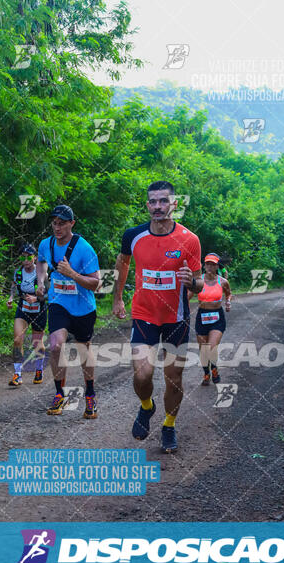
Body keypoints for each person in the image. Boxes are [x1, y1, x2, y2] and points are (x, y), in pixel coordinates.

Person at [113, 181, 203, 453]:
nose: (157, 206)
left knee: (173, 378)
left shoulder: (190, 239)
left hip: (176, 318)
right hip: (144, 315)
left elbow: (199, 284)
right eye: (152, 201)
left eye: (163, 201)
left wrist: (192, 283)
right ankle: (146, 406)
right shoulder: (133, 235)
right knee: (143, 374)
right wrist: (117, 297)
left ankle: (169, 424)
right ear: (147, 205)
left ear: (174, 204)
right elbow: (123, 262)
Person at [36, 205, 101, 418]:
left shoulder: (84, 249)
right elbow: (41, 262)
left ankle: (90, 395)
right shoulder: (46, 244)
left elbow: (96, 284)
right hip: (58, 303)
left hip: (83, 307)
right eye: (54, 223)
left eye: (62, 223)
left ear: (72, 223)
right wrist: (40, 281)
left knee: (84, 349)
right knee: (55, 345)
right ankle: (59, 394)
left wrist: (72, 273)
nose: (57, 227)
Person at [6, 243, 47, 387]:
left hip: (39, 310)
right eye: (23, 257)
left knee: (37, 343)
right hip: (23, 309)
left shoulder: (42, 273)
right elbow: (13, 286)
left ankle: (39, 370)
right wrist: (11, 297)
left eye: (29, 257)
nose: (26, 260)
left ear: (35, 258)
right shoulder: (18, 272)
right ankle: (17, 374)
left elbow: (50, 293)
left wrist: (37, 298)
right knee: (17, 340)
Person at [189, 253, 231, 385]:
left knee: (212, 347)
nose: (210, 266)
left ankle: (214, 370)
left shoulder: (223, 282)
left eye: (213, 264)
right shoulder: (198, 281)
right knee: (203, 350)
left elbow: (228, 294)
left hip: (217, 317)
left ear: (217, 266)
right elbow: (188, 296)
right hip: (202, 317)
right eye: (207, 263)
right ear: (204, 265)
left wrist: (228, 302)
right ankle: (206, 373)